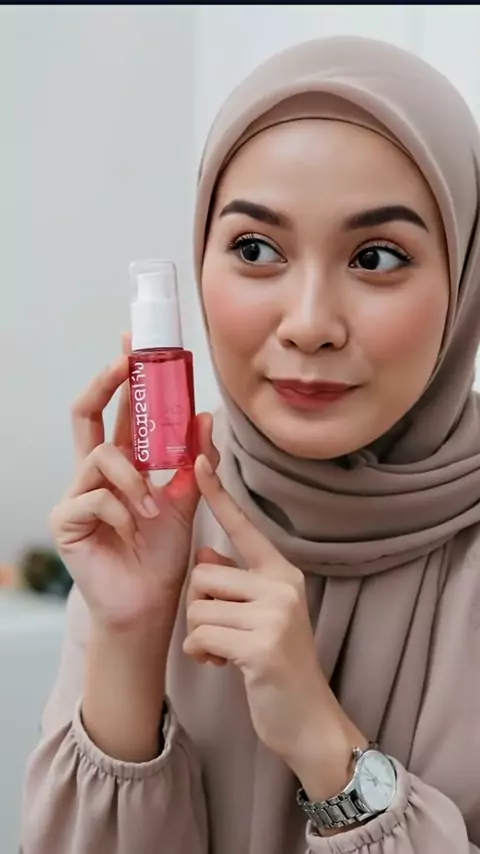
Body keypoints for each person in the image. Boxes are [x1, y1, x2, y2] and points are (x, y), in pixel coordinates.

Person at [20, 35, 480, 854]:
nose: (309, 324)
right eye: (255, 249)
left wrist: (323, 742)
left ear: (464, 281)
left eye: (376, 257)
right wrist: (129, 641)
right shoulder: (152, 527)